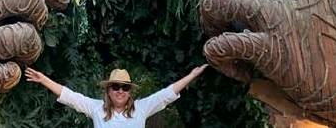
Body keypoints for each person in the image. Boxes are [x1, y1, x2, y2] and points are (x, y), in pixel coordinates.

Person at [25, 65, 208, 127]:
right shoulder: (96, 109)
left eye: (125, 87)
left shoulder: (142, 108)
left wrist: (192, 75)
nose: (120, 91)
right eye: (115, 86)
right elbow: (70, 96)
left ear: (130, 92)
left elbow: (167, 94)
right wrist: (44, 80)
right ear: (108, 91)